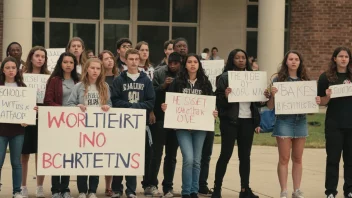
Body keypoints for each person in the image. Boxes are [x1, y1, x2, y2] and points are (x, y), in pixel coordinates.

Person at [161, 54, 218, 198]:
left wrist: (213, 112)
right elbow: (171, 102)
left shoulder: (205, 83)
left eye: (195, 62)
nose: (192, 64)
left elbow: (210, 103)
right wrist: (166, 107)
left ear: (199, 65)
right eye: (189, 62)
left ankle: (194, 191)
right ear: (185, 65)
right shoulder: (177, 82)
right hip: (182, 127)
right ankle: (186, 191)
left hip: (200, 127)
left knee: (197, 160)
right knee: (189, 159)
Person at [266, 50, 321, 198]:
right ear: (286, 62)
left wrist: (315, 102)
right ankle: (283, 190)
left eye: (297, 59)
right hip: (284, 121)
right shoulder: (278, 80)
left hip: (300, 121)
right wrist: (272, 95)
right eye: (291, 59)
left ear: (300, 62)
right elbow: (270, 107)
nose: (294, 61)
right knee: (284, 159)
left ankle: (297, 190)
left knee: (298, 158)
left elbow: (311, 112)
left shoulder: (305, 81)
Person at [211, 49, 261, 198]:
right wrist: (225, 96)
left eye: (243, 58)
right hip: (230, 121)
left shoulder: (253, 77)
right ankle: (217, 188)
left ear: (247, 60)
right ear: (232, 59)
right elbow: (218, 101)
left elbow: (258, 103)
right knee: (225, 154)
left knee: (245, 156)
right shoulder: (224, 77)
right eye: (237, 58)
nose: (241, 60)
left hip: (248, 121)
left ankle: (245, 189)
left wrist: (264, 95)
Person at [110, 49, 155, 198]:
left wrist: (134, 107)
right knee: (119, 156)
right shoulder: (119, 80)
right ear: (126, 61)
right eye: (131, 59)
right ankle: (117, 189)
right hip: (121, 125)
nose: (134, 62)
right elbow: (114, 100)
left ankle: (131, 190)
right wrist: (128, 106)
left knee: (133, 157)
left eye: (136, 59)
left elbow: (150, 102)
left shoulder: (146, 80)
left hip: (138, 126)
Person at [67, 58, 112, 198]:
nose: (95, 71)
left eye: (98, 69)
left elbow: (110, 104)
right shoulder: (78, 86)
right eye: (92, 68)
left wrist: (107, 107)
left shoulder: (104, 86)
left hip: (98, 130)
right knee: (83, 159)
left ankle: (92, 190)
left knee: (95, 160)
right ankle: (82, 190)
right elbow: (69, 104)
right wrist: (77, 106)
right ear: (86, 69)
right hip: (82, 129)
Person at [143, 52, 182, 197]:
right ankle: (151, 184)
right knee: (156, 153)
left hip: (176, 120)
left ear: (180, 63)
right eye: (170, 62)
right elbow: (150, 94)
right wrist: (163, 86)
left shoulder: (184, 74)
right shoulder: (159, 73)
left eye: (175, 63)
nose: (172, 65)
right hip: (159, 118)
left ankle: (168, 187)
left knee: (171, 155)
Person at [43, 52, 79, 198]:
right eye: (65, 62)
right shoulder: (54, 80)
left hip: (73, 124)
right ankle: (55, 189)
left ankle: (65, 188)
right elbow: (48, 100)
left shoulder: (79, 80)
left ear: (74, 65)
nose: (68, 64)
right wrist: (63, 111)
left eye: (71, 62)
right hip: (57, 124)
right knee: (57, 156)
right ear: (60, 63)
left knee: (67, 157)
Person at [317, 47, 352, 198]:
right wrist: (327, 96)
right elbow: (322, 102)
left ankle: (349, 190)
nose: (343, 59)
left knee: (350, 160)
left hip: (351, 124)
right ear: (334, 59)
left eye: (346, 56)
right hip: (334, 124)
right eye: (340, 56)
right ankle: (330, 191)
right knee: (333, 159)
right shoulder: (326, 77)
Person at [21, 46, 50, 198]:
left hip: (42, 117)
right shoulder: (22, 75)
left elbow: (51, 98)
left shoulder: (49, 77)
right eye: (37, 56)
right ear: (31, 57)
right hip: (26, 119)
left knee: (41, 154)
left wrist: (43, 108)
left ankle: (39, 187)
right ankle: (23, 186)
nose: (40, 59)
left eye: (43, 57)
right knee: (24, 155)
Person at [0, 57, 30, 198]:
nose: (11, 70)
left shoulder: (22, 87)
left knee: (16, 162)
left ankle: (16, 191)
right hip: (1, 130)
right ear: (3, 70)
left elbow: (28, 107)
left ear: (17, 70)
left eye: (13, 67)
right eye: (8, 67)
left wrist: (29, 114)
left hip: (18, 130)